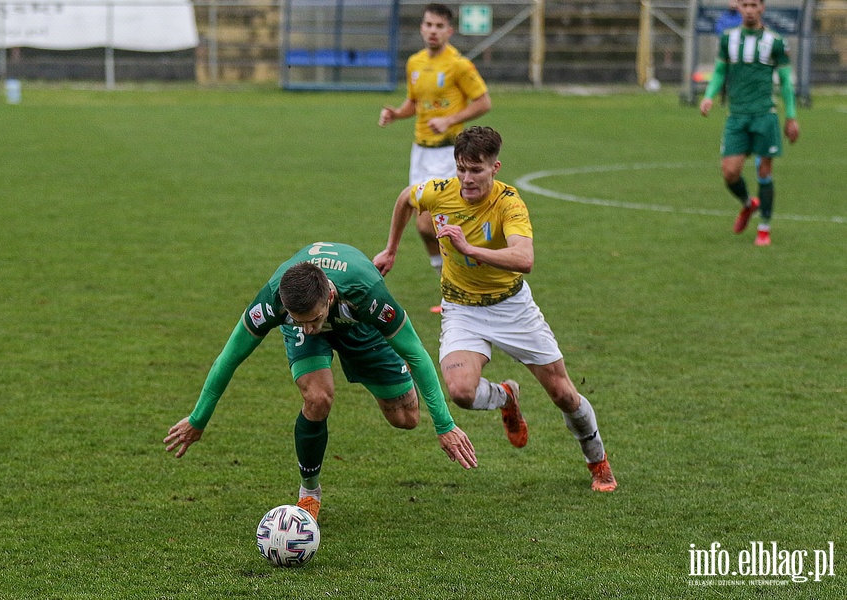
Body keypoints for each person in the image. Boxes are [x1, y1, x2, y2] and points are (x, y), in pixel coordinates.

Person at [374, 127, 617, 493]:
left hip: (512, 308)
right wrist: (391, 248)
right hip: (461, 308)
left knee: (564, 395)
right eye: (461, 169)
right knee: (459, 391)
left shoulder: (509, 203)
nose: (467, 179)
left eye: (476, 170)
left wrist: (469, 249)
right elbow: (407, 198)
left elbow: (525, 258)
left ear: (495, 167)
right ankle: (506, 395)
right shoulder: (440, 192)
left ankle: (598, 462)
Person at [164, 242, 477, 520]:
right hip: (319, 323)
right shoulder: (274, 300)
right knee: (317, 398)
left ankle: (381, 369)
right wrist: (198, 418)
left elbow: (417, 354)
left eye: (314, 319)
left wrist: (444, 424)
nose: (310, 328)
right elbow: (229, 357)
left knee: (406, 419)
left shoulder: (366, 293)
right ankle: (309, 493)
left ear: (328, 295)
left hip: (359, 326)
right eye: (299, 320)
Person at [378, 3, 491, 313]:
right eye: (428, 24)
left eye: (439, 26)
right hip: (420, 151)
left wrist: (450, 118)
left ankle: (468, 280)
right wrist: (396, 114)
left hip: (448, 152)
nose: (432, 30)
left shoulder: (459, 65)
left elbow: (483, 102)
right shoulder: (414, 63)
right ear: (422, 27)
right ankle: (450, 288)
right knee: (425, 226)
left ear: (449, 31)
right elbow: (414, 103)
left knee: (432, 222)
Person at [700, 0, 799, 246]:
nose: (750, 9)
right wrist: (709, 96)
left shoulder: (775, 41)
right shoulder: (728, 39)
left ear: (762, 8)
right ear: (739, 7)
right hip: (737, 116)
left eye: (754, 4)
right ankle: (748, 204)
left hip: (765, 115)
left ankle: (764, 228)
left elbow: (786, 82)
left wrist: (792, 116)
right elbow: (721, 71)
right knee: (730, 172)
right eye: (745, 4)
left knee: (764, 171)